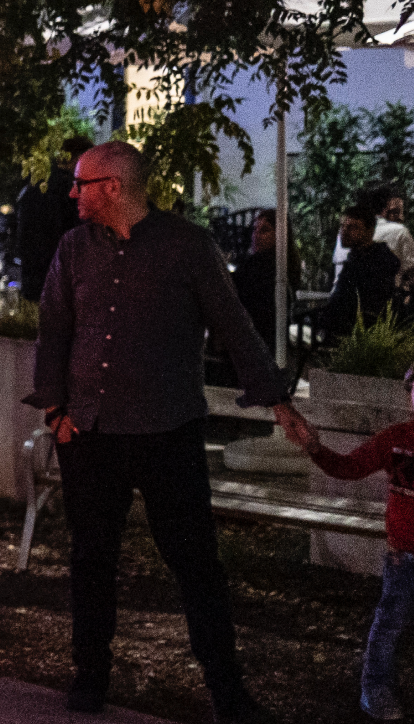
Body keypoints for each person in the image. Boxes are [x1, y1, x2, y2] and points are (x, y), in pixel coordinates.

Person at [28, 140, 302, 724]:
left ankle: (227, 690)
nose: (72, 193)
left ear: (115, 187)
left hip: (166, 431)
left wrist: (277, 400)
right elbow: (53, 331)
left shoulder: (187, 246)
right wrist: (55, 410)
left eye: (82, 182)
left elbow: (233, 324)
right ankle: (90, 675)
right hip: (91, 433)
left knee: (196, 562)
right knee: (92, 557)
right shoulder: (73, 249)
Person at [282, 370, 414, 720]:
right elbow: (349, 466)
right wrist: (314, 447)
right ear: (409, 396)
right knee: (390, 623)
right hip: (405, 555)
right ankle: (375, 688)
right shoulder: (398, 440)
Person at [17, 136, 91, 302]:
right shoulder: (70, 190)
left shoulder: (35, 185)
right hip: (61, 278)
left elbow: (21, 233)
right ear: (76, 158)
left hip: (36, 274)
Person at [326, 205, 401, 339]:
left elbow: (356, 303)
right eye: (343, 226)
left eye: (352, 227)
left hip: (359, 337)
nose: (345, 231)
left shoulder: (373, 263)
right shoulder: (358, 257)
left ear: (369, 231)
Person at [231, 210, 278, 351]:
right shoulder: (252, 264)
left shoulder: (263, 267)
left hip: (253, 339)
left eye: (264, 230)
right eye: (254, 229)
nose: (256, 235)